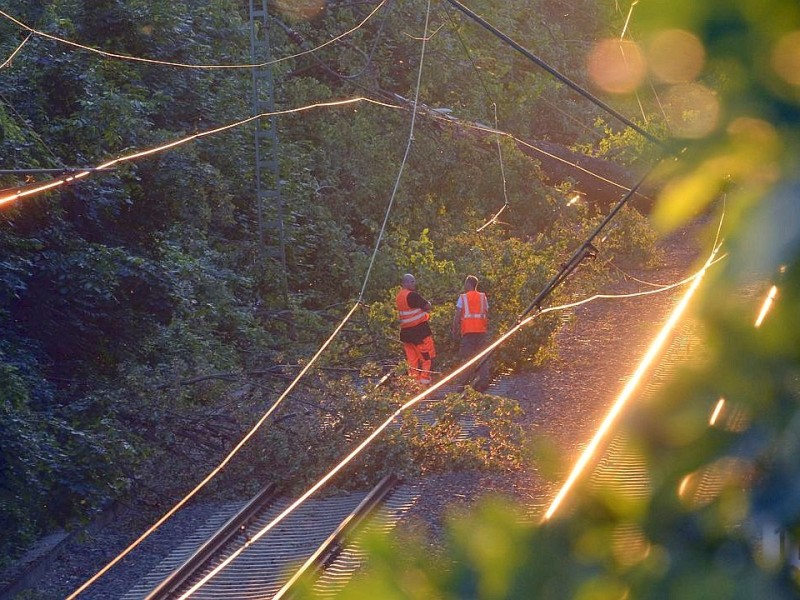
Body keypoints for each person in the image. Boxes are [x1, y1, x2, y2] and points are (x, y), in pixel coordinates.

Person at [452, 275, 491, 391]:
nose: (464, 286)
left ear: (469, 284)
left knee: (467, 358)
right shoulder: (483, 297)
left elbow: (458, 314)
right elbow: (486, 312)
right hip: (481, 331)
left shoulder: (463, 298)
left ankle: (462, 384)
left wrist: (454, 329)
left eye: (465, 283)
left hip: (468, 332)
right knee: (483, 357)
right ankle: (484, 382)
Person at [396, 273, 436, 386]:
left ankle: (413, 383)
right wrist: (428, 304)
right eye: (412, 282)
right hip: (419, 334)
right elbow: (427, 306)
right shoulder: (412, 295)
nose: (414, 284)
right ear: (405, 283)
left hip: (406, 335)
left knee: (412, 361)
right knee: (426, 359)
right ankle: (424, 381)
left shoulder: (399, 296)